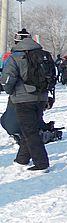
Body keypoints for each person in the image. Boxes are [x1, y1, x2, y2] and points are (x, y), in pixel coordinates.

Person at [0, 28, 52, 171]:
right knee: (29, 128)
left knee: (30, 131)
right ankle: (21, 159)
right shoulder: (43, 55)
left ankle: (42, 163)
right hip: (41, 97)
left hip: (23, 99)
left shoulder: (15, 57)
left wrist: (10, 91)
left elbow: (7, 78)